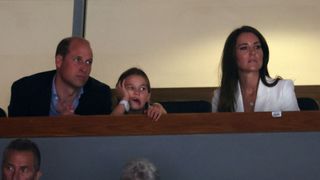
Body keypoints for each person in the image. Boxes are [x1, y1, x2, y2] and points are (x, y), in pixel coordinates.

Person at [8, 37, 112, 116]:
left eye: (88, 62)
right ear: (59, 61)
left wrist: (74, 124)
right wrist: (58, 125)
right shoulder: (25, 89)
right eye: (77, 60)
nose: (84, 68)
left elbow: (102, 141)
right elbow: (15, 138)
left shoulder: (101, 94)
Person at [212, 25, 300, 112]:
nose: (253, 52)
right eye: (244, 48)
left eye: (257, 47)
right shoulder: (220, 96)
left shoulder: (283, 89)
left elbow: (296, 125)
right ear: (232, 55)